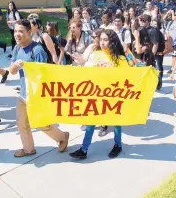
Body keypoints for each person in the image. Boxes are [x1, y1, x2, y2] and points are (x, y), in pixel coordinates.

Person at [10, 19, 69, 157]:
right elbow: (12, 71)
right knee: (21, 123)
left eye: (21, 31)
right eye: (15, 31)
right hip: (23, 94)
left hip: (36, 95)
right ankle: (28, 148)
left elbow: (43, 75)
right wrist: (17, 65)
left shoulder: (37, 50)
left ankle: (62, 137)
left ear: (29, 32)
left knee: (41, 123)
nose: (17, 34)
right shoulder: (17, 48)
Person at [69, 30, 129, 159]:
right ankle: (84, 149)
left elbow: (127, 77)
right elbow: (88, 71)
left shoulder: (121, 59)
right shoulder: (95, 55)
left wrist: (111, 70)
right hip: (97, 94)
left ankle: (118, 145)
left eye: (106, 39)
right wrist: (81, 62)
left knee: (115, 122)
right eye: (101, 39)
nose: (102, 42)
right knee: (91, 121)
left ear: (112, 41)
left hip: (113, 96)